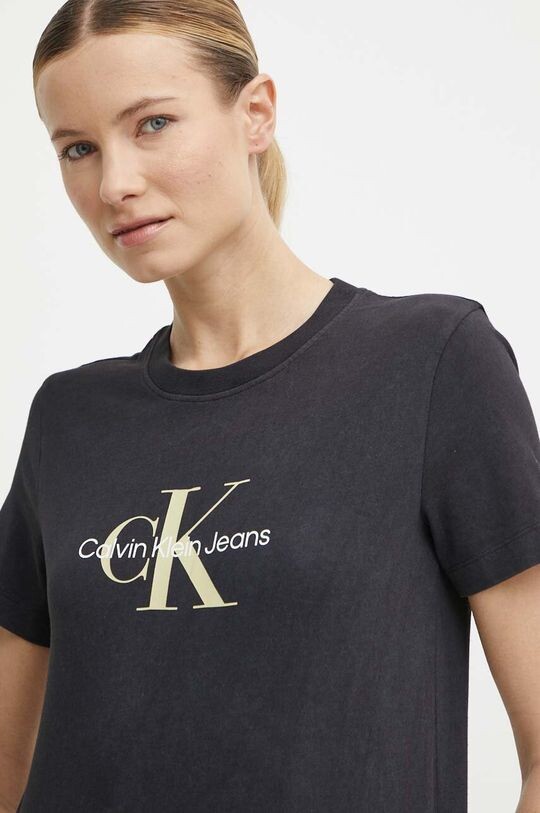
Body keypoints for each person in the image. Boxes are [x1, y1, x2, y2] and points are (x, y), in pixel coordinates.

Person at [1, 2, 539, 812]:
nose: (114, 183)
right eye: (78, 148)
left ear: (255, 113)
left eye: (152, 124)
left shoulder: (432, 363)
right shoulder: (68, 419)